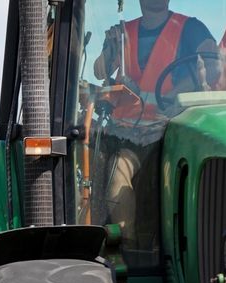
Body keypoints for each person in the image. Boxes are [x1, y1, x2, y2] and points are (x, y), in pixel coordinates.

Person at [92, 0, 218, 261]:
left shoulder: (191, 29)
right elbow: (99, 70)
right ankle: (129, 253)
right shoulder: (123, 32)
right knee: (117, 177)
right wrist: (110, 48)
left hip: (172, 130)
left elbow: (213, 64)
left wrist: (175, 93)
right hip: (127, 134)